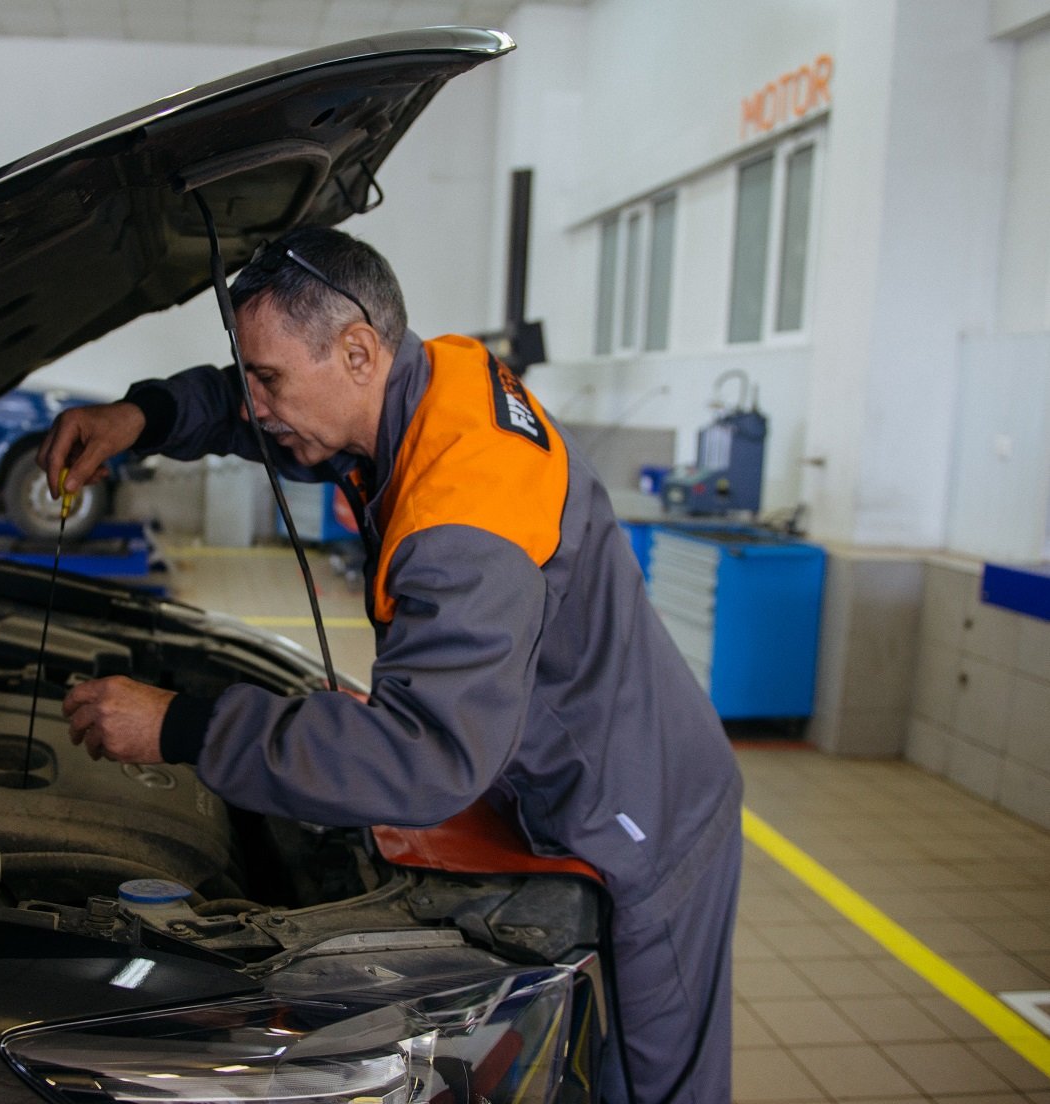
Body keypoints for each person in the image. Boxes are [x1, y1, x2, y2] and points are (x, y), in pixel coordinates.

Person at [38, 226, 742, 1104]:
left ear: (359, 351)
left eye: (269, 379)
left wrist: (181, 724)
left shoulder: (463, 523)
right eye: (250, 373)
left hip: (642, 805)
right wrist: (142, 416)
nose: (254, 403)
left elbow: (425, 758)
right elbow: (243, 402)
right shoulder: (427, 377)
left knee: (647, 1072)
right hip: (564, 752)